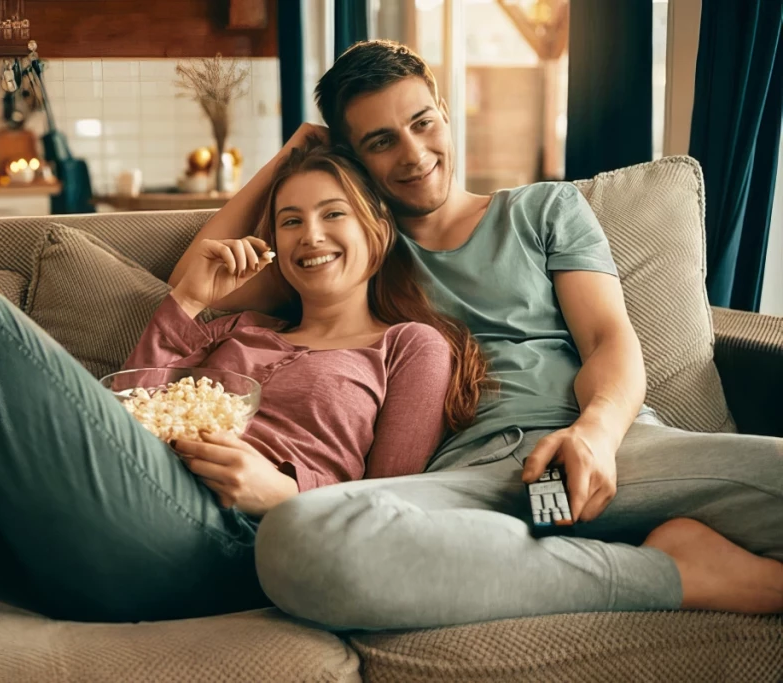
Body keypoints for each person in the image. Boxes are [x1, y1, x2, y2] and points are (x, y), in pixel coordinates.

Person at [170, 40, 783, 630]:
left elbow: (607, 341)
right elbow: (201, 285)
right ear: (355, 160)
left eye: (423, 122)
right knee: (296, 541)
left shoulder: (545, 209)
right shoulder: (354, 247)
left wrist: (594, 434)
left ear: (444, 111)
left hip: (606, 449)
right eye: (381, 142)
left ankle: (550, 559)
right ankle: (670, 572)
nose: (413, 154)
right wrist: (296, 157)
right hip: (458, 485)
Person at [0, 144, 486, 623]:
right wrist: (190, 301)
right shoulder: (238, 330)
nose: (308, 235)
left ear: (378, 233)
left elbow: (396, 509)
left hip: (215, 546)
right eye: (290, 220)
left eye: (333, 215)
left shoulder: (409, 346)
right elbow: (132, 401)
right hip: (73, 529)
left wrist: (286, 498)